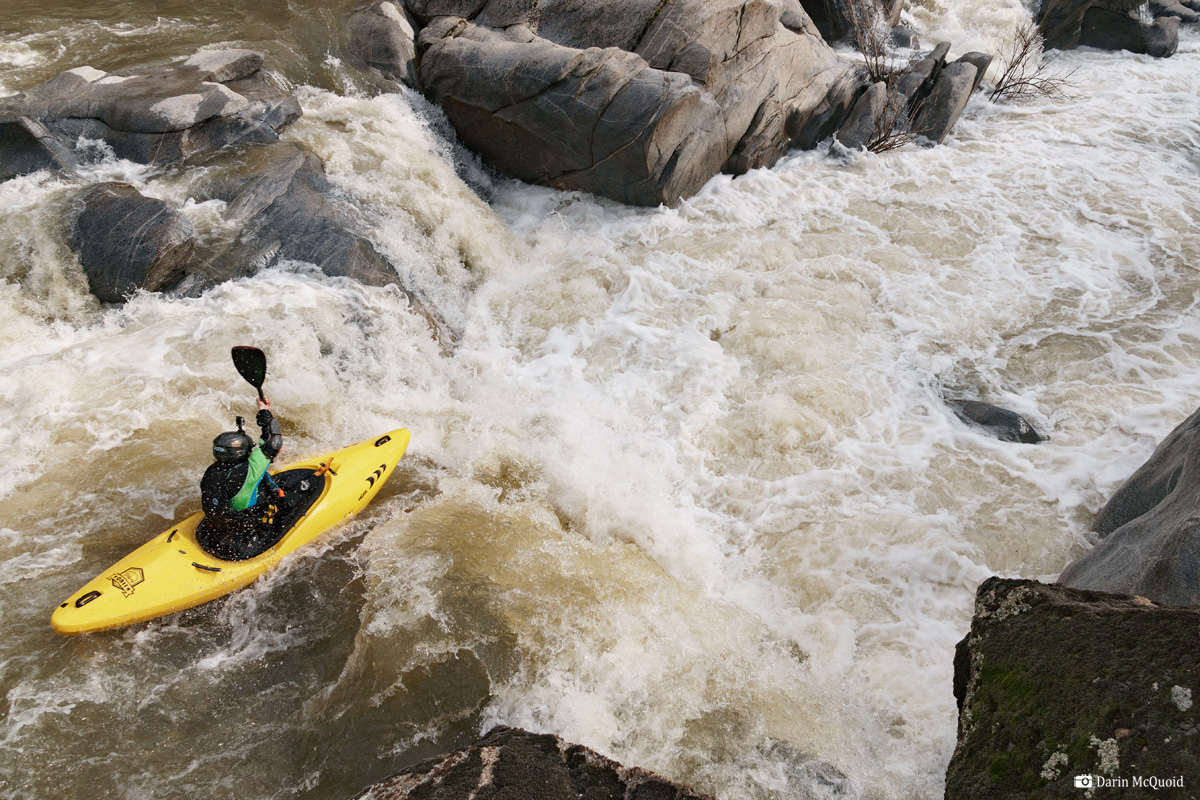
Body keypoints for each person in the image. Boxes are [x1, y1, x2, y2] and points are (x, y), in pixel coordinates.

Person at [200, 397, 285, 559]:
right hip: (249, 533)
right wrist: (263, 409)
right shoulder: (250, 469)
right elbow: (274, 441)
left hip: (220, 529)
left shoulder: (212, 471)